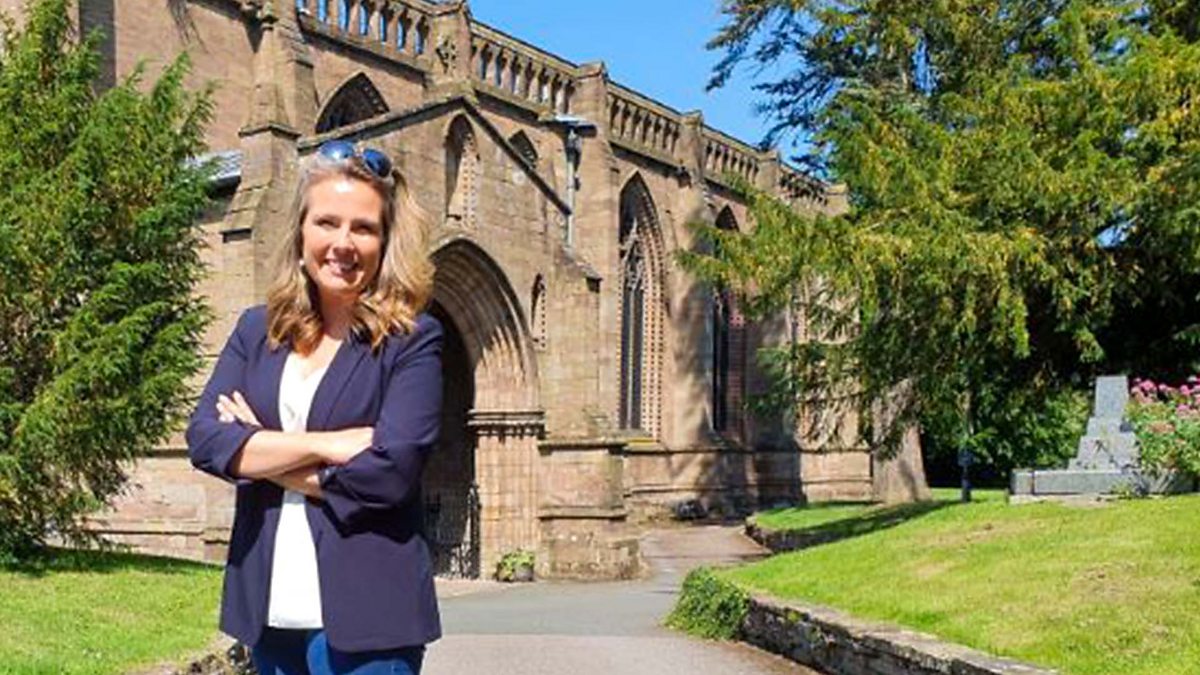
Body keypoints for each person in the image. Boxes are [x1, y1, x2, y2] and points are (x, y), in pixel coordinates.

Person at [186, 140, 443, 675]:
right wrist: (328, 445)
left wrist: (260, 450)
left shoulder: (411, 340)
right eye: (327, 222)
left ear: (385, 242)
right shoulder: (257, 331)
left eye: (363, 228)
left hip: (371, 615)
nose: (343, 243)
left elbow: (391, 474)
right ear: (301, 232)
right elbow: (206, 439)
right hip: (270, 610)